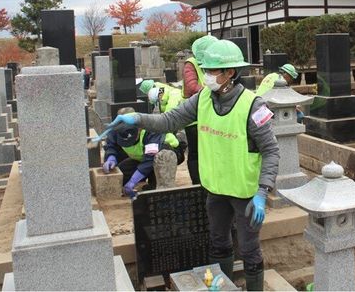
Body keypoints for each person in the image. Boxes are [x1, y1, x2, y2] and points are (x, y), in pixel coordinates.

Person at [102, 40, 280, 291]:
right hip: (215, 189)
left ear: (230, 72)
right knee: (218, 242)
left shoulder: (253, 106)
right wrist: (136, 119)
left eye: (212, 71)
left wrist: (263, 191)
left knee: (249, 249)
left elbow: (271, 151)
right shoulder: (202, 99)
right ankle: (224, 286)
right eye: (205, 70)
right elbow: (168, 120)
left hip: (246, 193)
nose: (206, 76)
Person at [102, 107, 186, 195]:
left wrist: (133, 181)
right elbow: (110, 145)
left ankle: (156, 184)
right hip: (142, 157)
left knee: (155, 188)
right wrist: (111, 158)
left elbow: (150, 160)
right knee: (121, 174)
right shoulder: (117, 128)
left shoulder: (151, 130)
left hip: (166, 155)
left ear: (139, 128)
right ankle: (142, 176)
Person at [181, 34, 218, 185]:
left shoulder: (213, 63)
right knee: (195, 151)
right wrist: (208, 91)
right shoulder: (191, 64)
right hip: (193, 113)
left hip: (209, 111)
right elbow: (191, 85)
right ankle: (197, 182)